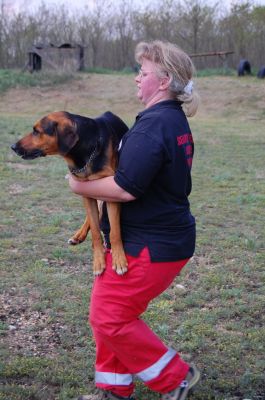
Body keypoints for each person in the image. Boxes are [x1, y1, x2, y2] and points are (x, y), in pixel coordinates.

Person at [69, 40, 200, 400]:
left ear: (163, 81)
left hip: (151, 244)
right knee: (108, 312)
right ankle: (114, 389)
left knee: (109, 315)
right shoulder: (167, 120)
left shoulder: (154, 126)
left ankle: (177, 377)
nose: (136, 78)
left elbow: (126, 189)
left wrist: (76, 182)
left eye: (142, 73)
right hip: (157, 238)